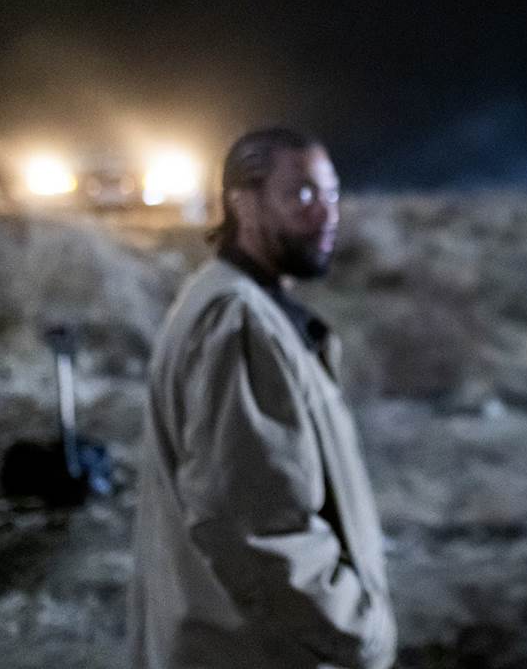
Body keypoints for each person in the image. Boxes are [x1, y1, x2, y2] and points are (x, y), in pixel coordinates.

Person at [129, 128, 396, 668]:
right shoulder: (239, 320)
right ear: (243, 203)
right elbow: (257, 531)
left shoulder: (234, 300)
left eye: (332, 193)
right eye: (301, 194)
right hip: (250, 651)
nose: (327, 213)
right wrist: (359, 629)